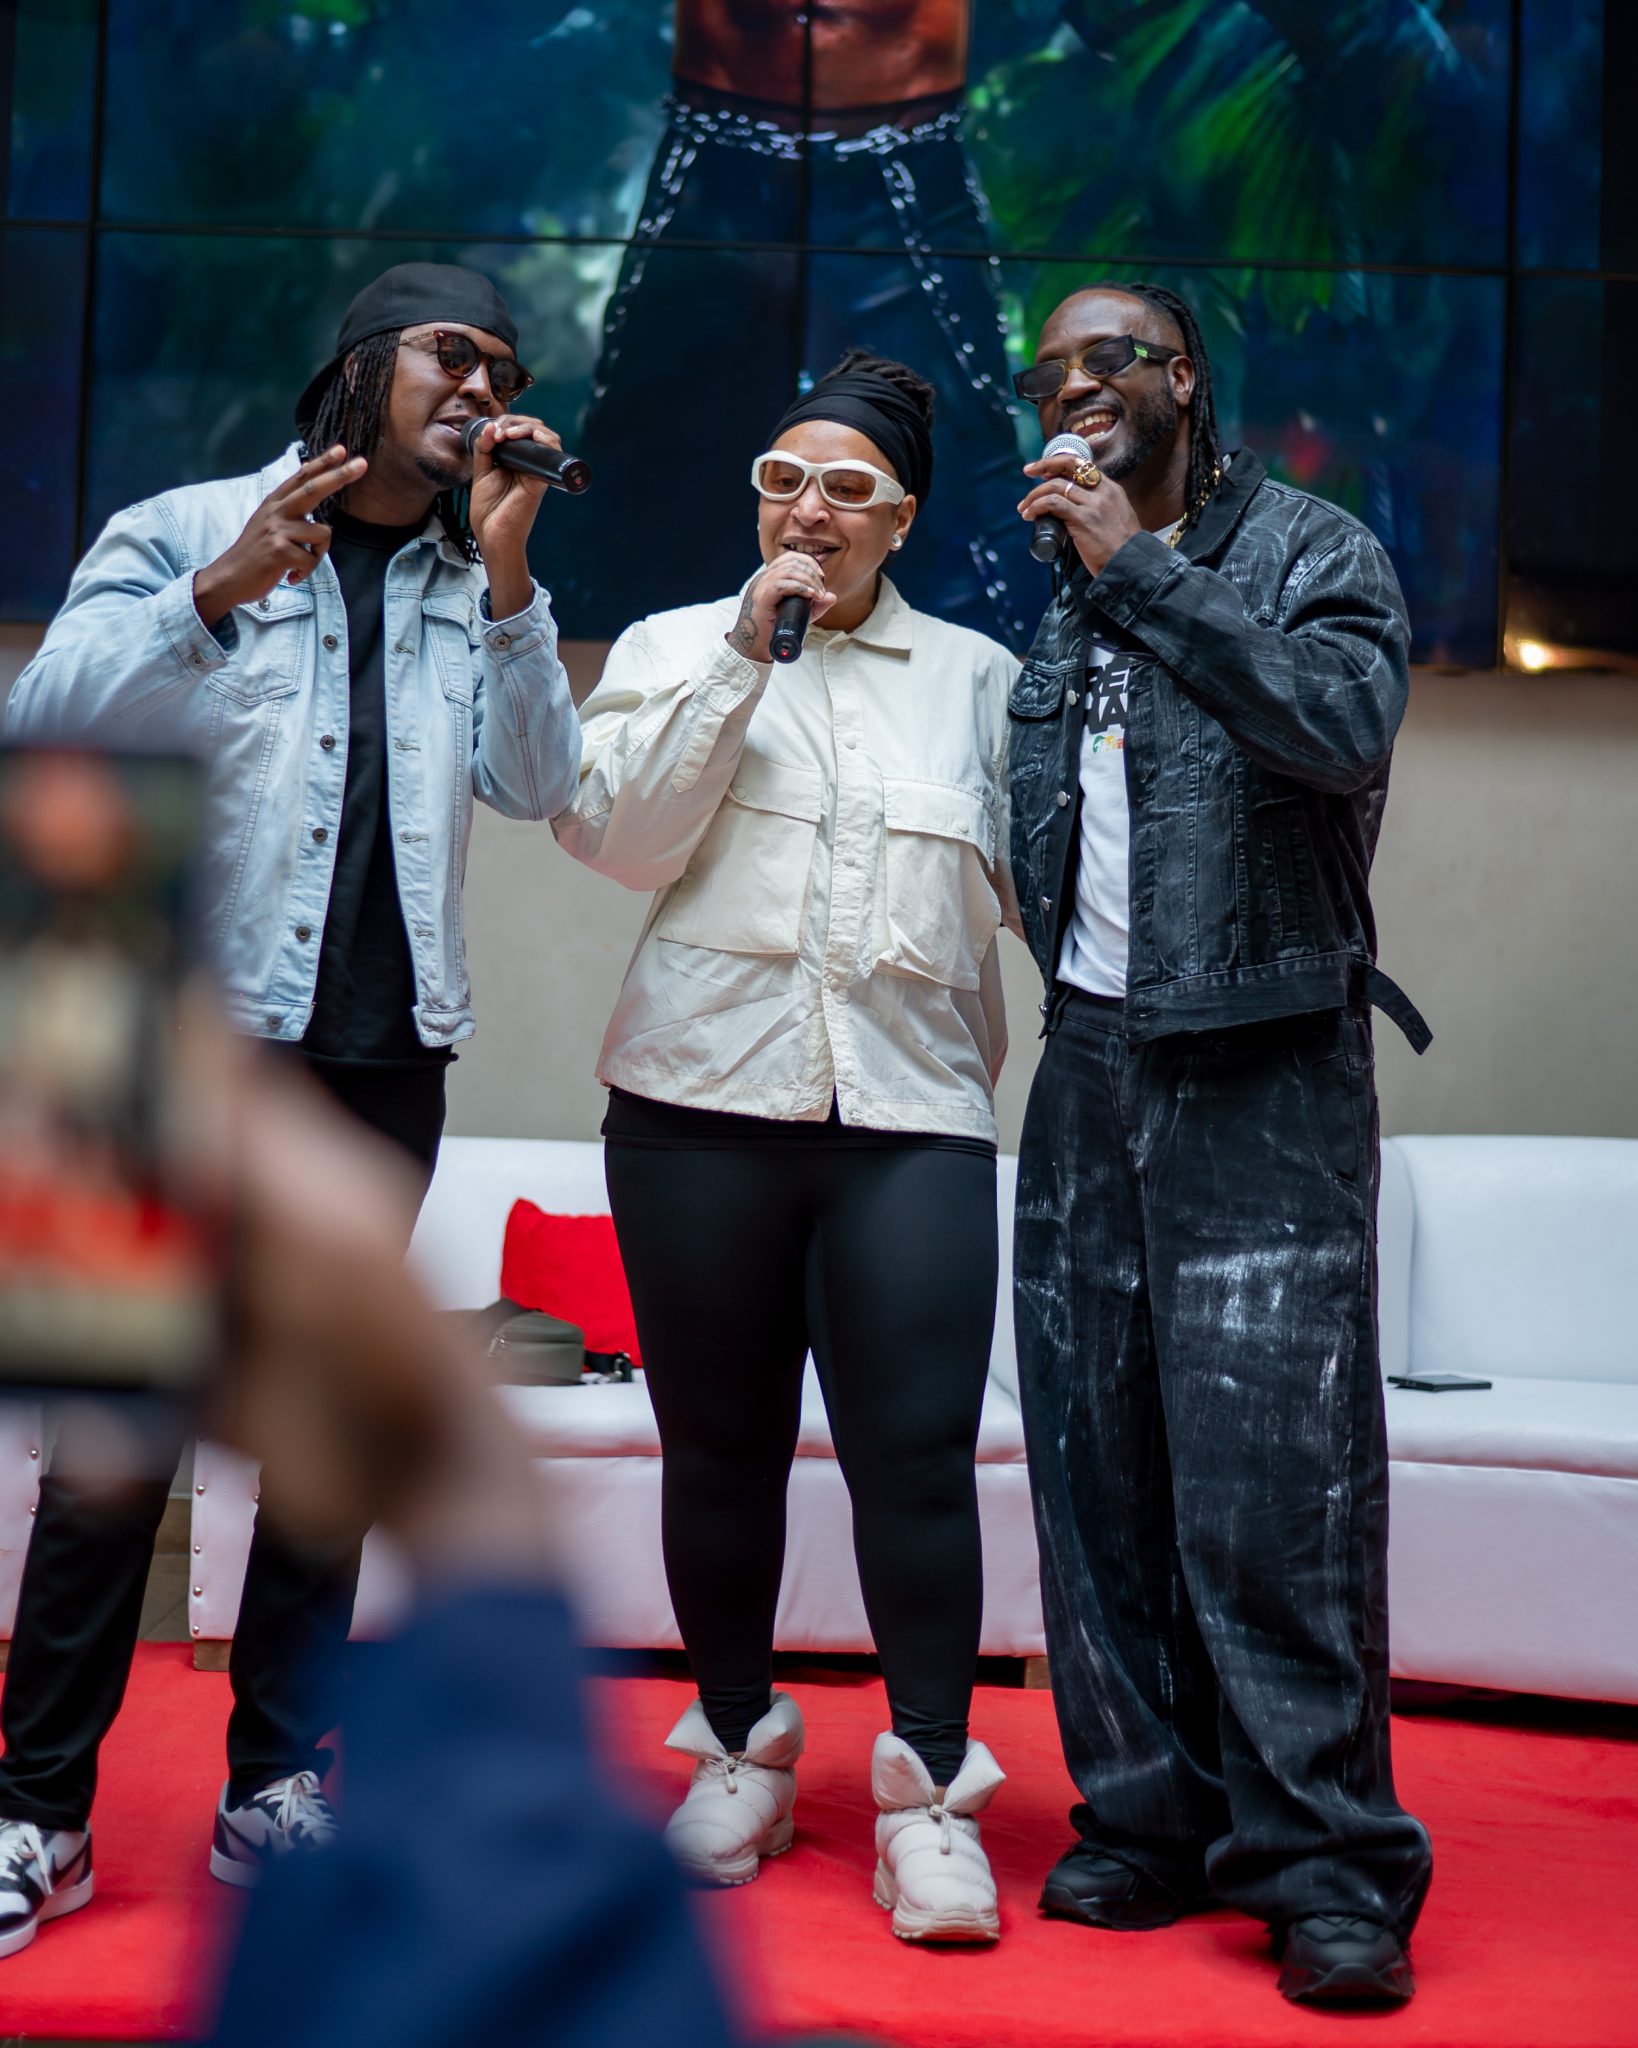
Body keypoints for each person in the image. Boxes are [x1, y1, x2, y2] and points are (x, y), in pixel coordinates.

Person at [0, 262, 580, 1949]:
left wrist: (513, 580)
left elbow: (542, 783)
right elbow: (43, 729)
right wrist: (215, 595)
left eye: (504, 368)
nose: (481, 388)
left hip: (382, 1060)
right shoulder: (187, 526)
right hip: (164, 1042)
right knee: (111, 1452)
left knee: (325, 1450)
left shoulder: (469, 579)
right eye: (451, 354)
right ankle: (38, 1812)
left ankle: (273, 1784)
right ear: (362, 362)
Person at [553, 352, 1019, 1942]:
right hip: (693, 1105)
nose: (807, 510)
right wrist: (740, 660)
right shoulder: (675, 642)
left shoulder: (978, 677)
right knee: (718, 1448)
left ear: (901, 515)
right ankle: (739, 1749)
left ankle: (932, 1796)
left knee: (918, 1461)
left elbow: (1044, 898)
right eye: (781, 480)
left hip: (912, 1115)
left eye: (844, 487)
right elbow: (618, 843)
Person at [1006, 281, 1435, 2007]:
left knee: (1276, 1485)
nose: (1072, 385)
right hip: (1088, 1061)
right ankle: (1147, 1819)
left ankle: (1324, 1866)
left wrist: (1140, 570)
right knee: (1095, 1474)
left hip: (1263, 1057)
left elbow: (1335, 731)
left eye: (1106, 358)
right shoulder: (1064, 585)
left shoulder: (1312, 551)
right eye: (1047, 367)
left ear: (1181, 379)